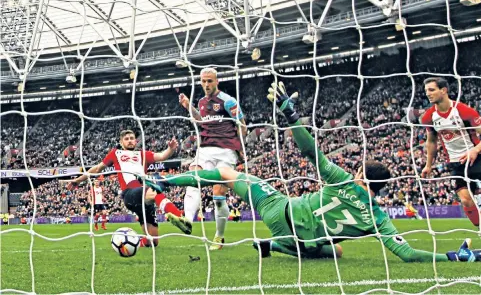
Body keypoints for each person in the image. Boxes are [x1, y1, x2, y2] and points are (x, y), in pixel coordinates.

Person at [151, 82, 480, 262]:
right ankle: (278, 245)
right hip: (302, 240)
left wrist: (292, 118)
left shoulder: (343, 180)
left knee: (227, 175)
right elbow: (407, 254)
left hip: (280, 210)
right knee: (335, 250)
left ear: (362, 176)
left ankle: (166, 180)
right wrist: (454, 256)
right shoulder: (379, 219)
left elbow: (311, 152)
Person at [60, 130, 192, 247]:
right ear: (121, 142)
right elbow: (97, 168)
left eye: (131, 138)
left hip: (145, 197)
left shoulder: (142, 154)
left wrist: (171, 148)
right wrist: (78, 180)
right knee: (154, 189)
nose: (129, 141)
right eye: (126, 139)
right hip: (131, 194)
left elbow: (162, 156)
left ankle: (135, 242)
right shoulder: (115, 153)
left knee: (153, 242)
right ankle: (179, 217)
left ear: (136, 140)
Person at [178, 67, 247, 250]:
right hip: (206, 147)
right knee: (193, 179)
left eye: (210, 81)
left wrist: (240, 148)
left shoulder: (228, 101)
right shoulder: (201, 101)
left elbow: (243, 125)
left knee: (218, 194)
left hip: (226, 150)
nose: (206, 84)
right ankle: (187, 220)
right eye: (203, 81)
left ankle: (219, 236)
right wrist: (188, 106)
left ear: (217, 81)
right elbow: (201, 121)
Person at [421, 77, 481, 227]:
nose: (428, 93)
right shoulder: (428, 117)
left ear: (444, 90)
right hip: (456, 162)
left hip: (478, 157)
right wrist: (428, 165)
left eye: (431, 90)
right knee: (466, 200)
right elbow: (432, 141)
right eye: (426, 90)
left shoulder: (464, 111)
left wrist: (475, 149)